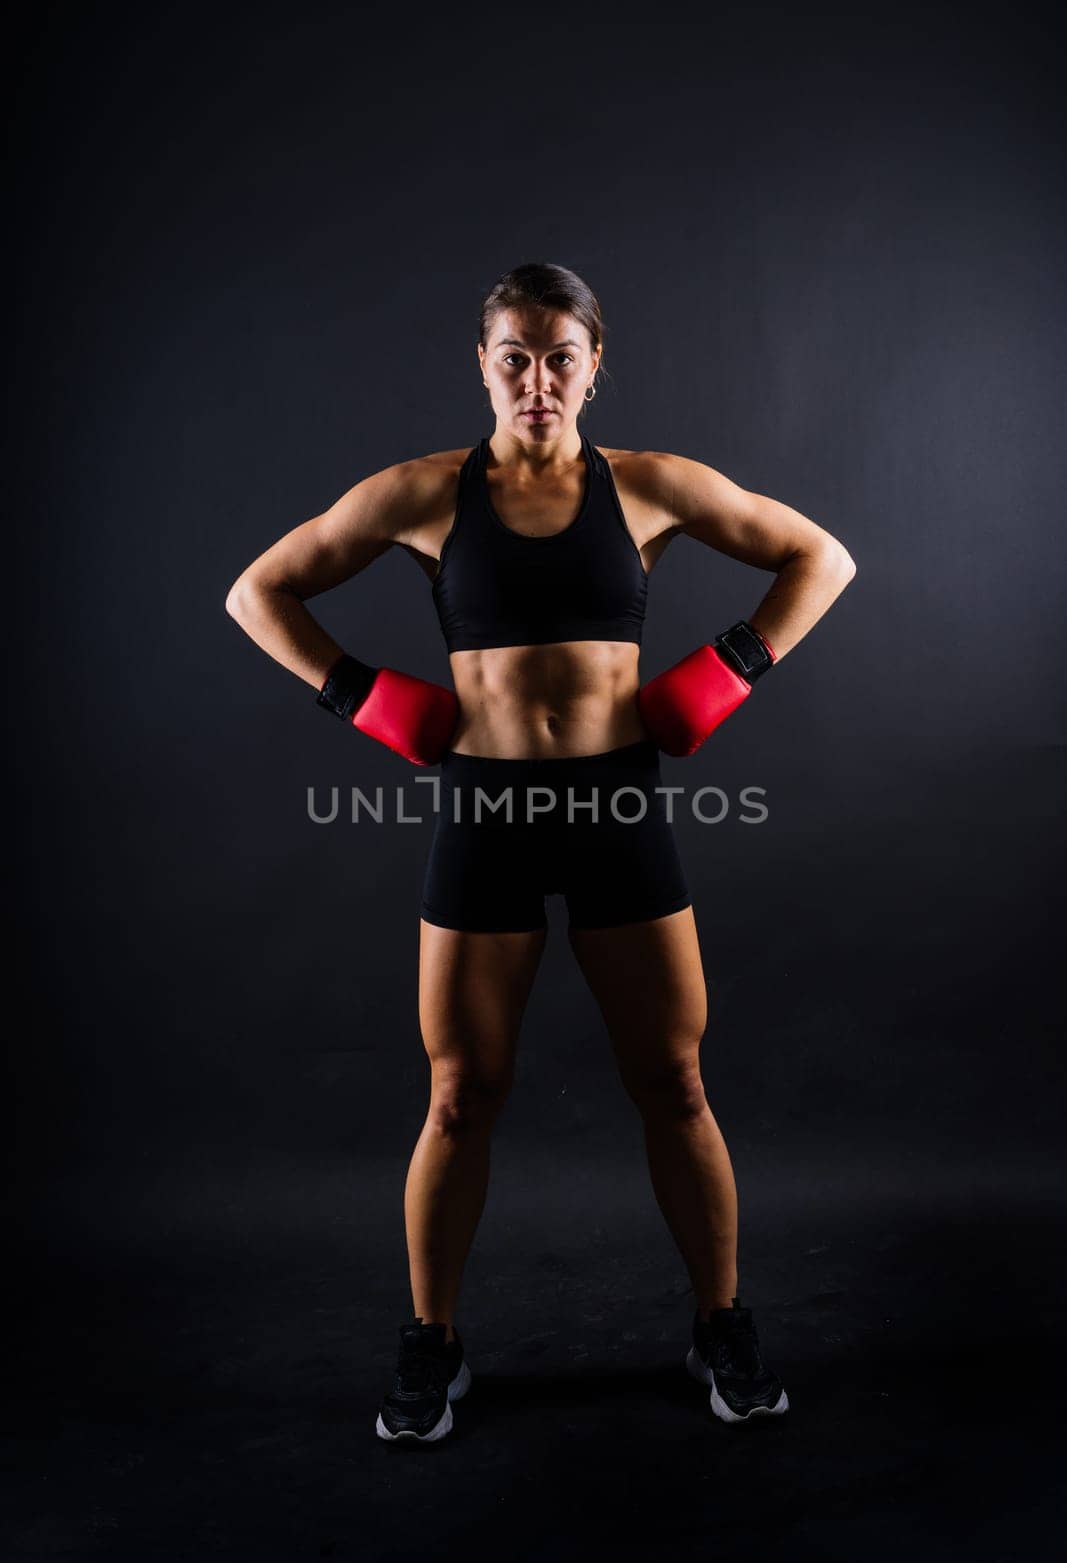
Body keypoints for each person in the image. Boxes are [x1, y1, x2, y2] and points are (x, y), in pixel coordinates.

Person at [225, 261, 857, 1445]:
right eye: (512, 354)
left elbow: (819, 558)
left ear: (594, 364)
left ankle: (719, 1323)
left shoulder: (650, 486)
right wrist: (361, 695)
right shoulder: (420, 495)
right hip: (485, 819)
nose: (536, 378)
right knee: (459, 1095)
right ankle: (433, 1344)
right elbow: (259, 593)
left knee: (672, 1081)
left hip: (619, 808)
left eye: (559, 355)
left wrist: (732, 665)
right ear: (481, 363)